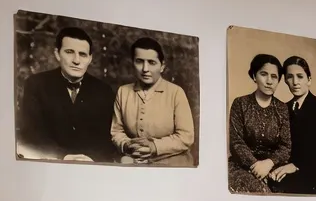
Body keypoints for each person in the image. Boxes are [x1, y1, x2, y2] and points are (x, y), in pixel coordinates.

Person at [17, 26, 116, 162]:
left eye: (83, 54)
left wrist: (91, 159)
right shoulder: (36, 84)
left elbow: (106, 138)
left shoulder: (104, 91)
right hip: (49, 164)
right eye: (69, 52)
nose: (76, 60)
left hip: (91, 166)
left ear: (90, 58)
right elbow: (31, 133)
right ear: (57, 54)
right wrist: (63, 156)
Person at [110, 37, 196, 167]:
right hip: (135, 162)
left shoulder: (176, 93)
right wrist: (127, 145)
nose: (145, 69)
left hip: (172, 165)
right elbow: (116, 131)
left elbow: (186, 137)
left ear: (162, 66)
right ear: (133, 63)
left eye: (152, 62)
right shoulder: (123, 92)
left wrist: (154, 146)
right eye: (139, 61)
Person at [228, 53, 293, 194]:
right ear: (254, 76)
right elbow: (236, 142)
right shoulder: (240, 103)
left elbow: (285, 146)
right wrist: (255, 165)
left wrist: (269, 163)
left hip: (274, 166)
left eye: (274, 77)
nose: (269, 81)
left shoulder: (282, 108)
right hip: (243, 166)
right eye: (264, 74)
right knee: (258, 190)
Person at [268, 56, 316, 194]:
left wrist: (296, 165)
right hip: (285, 171)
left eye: (300, 76)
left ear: (309, 80)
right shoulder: (283, 109)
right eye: (290, 77)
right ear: (285, 81)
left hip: (314, 175)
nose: (295, 82)